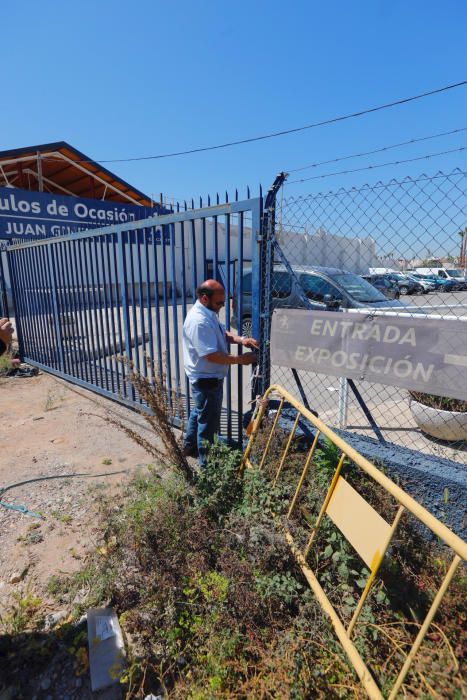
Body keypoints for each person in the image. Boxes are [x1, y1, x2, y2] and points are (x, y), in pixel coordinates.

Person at [182, 279, 258, 465]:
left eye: (224, 302)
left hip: (205, 378)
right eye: (219, 303)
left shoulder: (207, 312)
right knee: (207, 426)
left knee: (200, 412)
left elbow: (220, 333)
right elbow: (211, 355)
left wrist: (241, 340)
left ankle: (188, 446)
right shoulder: (198, 321)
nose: (222, 306)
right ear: (204, 298)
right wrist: (241, 360)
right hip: (206, 379)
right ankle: (207, 468)